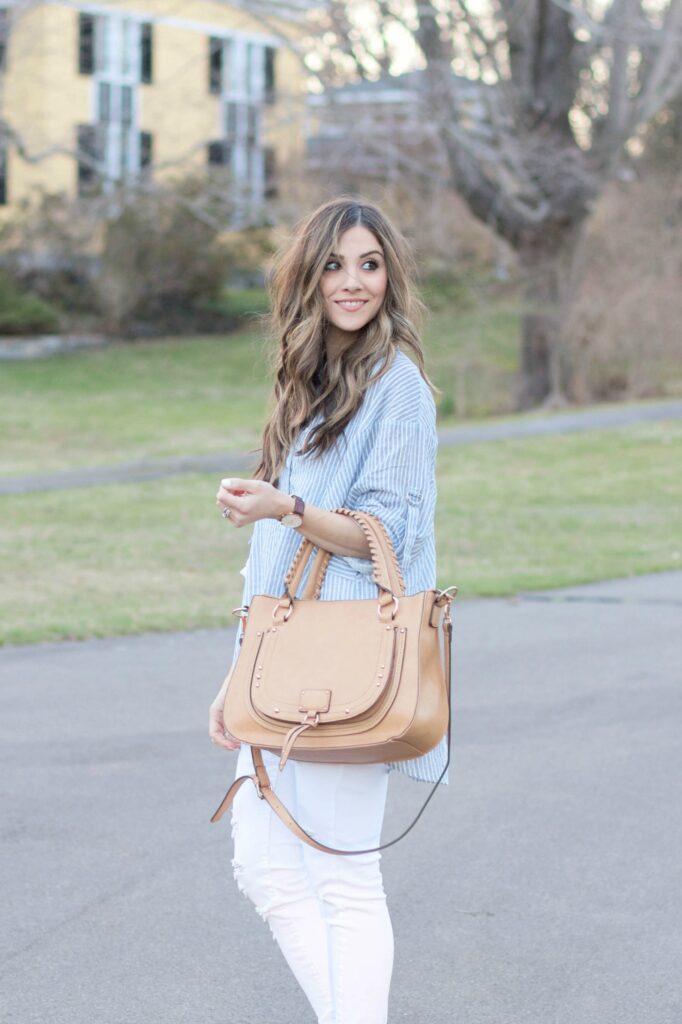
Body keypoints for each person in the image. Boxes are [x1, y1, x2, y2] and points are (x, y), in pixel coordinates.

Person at [208, 197, 446, 1024]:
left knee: (343, 875)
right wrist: (236, 670)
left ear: (391, 276)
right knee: (265, 870)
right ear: (308, 277)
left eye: (371, 264)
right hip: (280, 661)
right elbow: (268, 562)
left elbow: (390, 533)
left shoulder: (398, 387)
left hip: (348, 664)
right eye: (337, 264)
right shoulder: (306, 382)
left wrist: (289, 508)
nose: (354, 282)